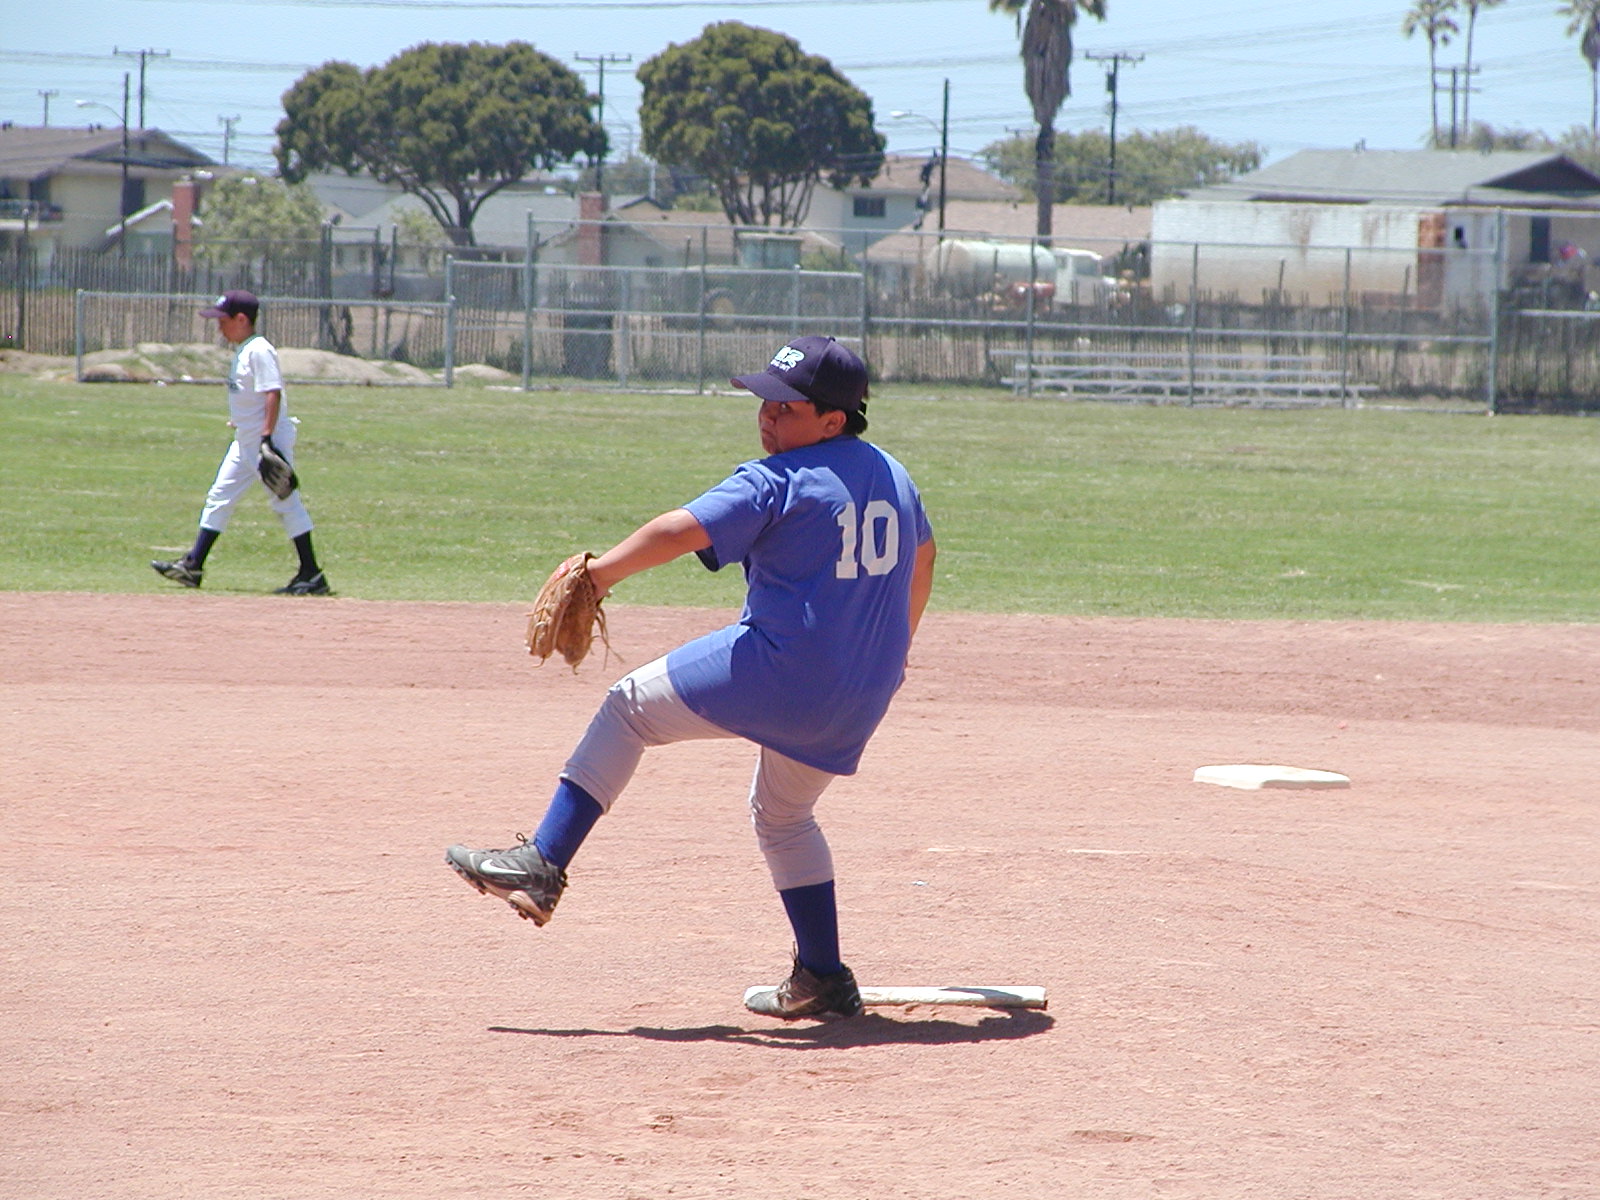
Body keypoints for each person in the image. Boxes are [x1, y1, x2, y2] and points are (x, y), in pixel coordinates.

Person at [446, 335, 936, 1019]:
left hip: (779, 669)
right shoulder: (894, 475)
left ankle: (544, 862)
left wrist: (599, 574)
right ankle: (824, 975)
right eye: (765, 403)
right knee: (784, 815)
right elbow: (923, 557)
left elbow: (681, 530)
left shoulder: (777, 479)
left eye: (787, 409)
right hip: (862, 694)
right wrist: (896, 648)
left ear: (832, 421)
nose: (768, 417)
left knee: (628, 709)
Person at [150, 289, 330, 596]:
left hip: (264, 440)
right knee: (220, 496)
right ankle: (193, 565)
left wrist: (266, 440)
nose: (219, 327)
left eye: (224, 320)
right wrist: (242, 422)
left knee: (285, 502)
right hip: (246, 438)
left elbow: (272, 392)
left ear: (242, 319)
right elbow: (251, 395)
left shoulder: (259, 350)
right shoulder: (244, 350)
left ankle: (311, 574)